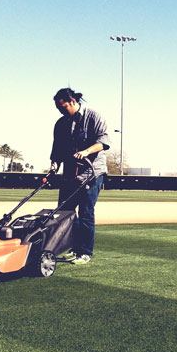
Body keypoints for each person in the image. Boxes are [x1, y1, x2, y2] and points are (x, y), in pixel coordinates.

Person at [50, 88, 111, 264]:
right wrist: (54, 166)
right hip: (70, 173)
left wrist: (86, 151)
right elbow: (57, 150)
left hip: (92, 172)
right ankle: (75, 247)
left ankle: (85, 252)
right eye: (58, 108)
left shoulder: (93, 117)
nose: (61, 111)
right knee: (65, 212)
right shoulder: (61, 124)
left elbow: (104, 142)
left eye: (63, 107)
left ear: (74, 102)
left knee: (85, 213)